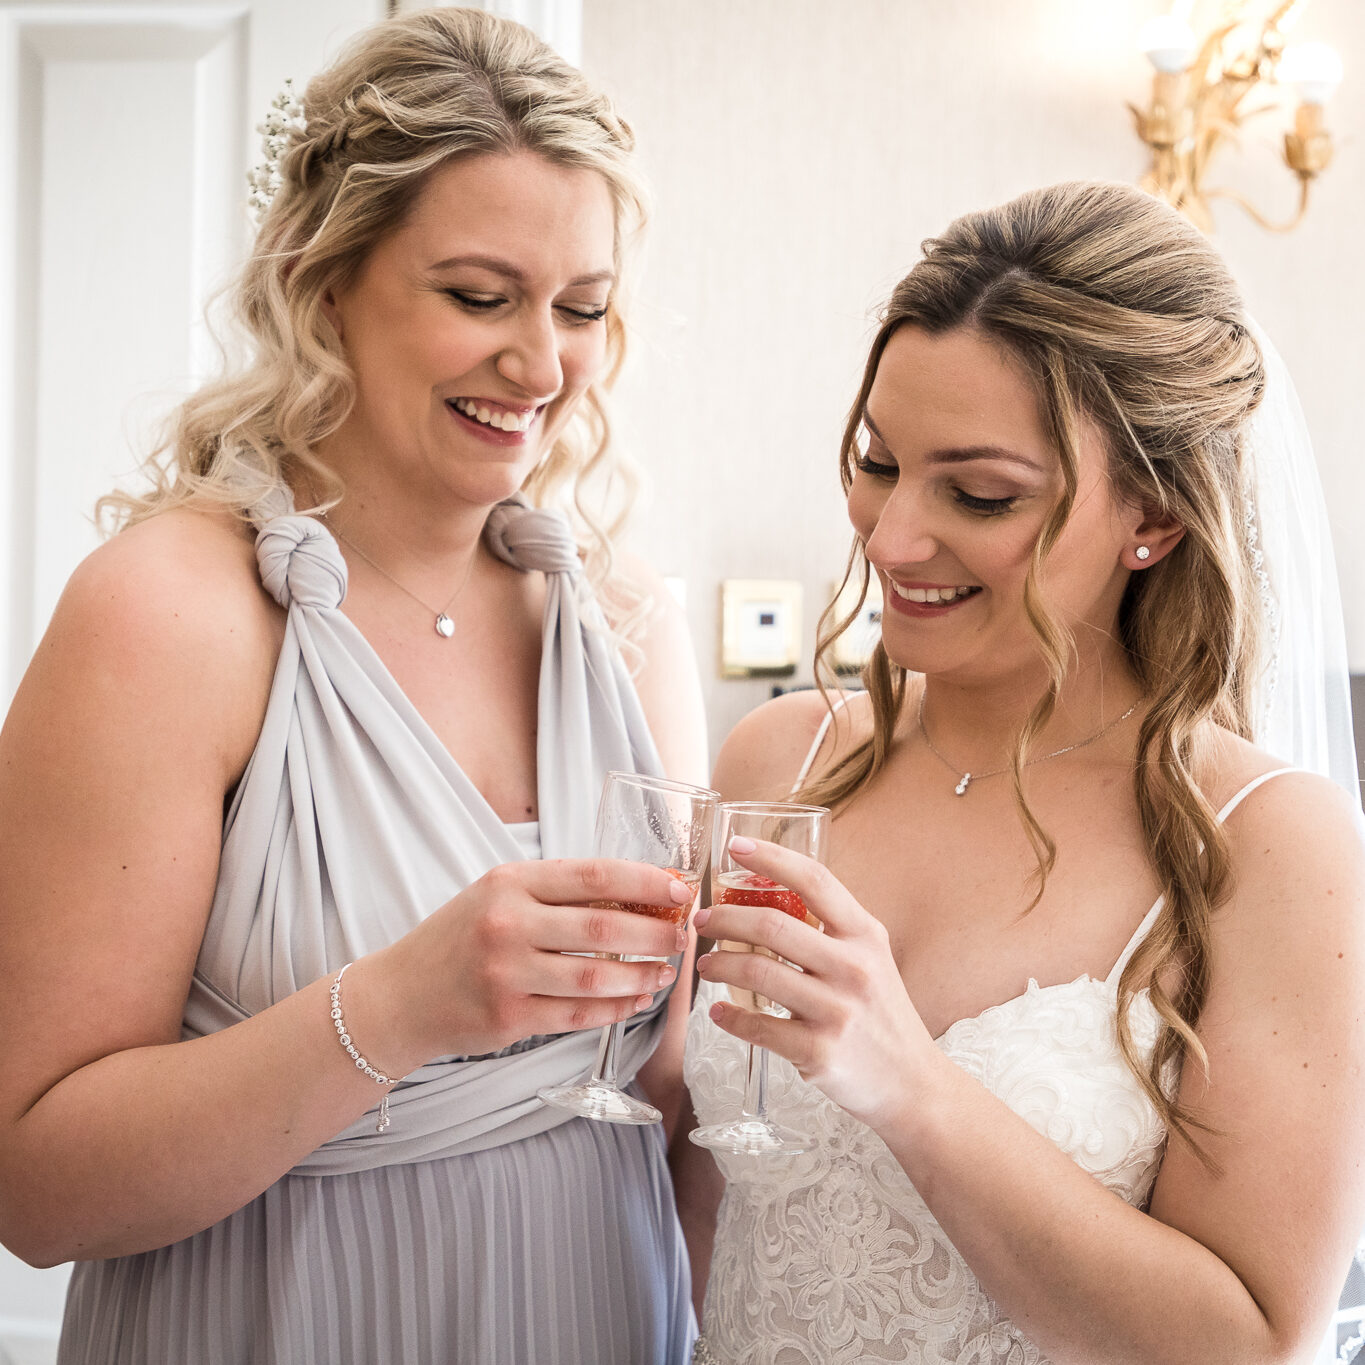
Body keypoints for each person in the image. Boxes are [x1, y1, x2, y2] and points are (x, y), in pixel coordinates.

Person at [0, 8, 707, 1364]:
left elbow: (668, 1095)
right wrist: (403, 1002)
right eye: (479, 296)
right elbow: (37, 1187)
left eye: (584, 309)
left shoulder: (618, 618)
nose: (543, 365)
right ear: (324, 281)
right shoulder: (170, 616)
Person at [680, 180, 1365, 1364]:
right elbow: (715, 1214)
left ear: (1151, 516)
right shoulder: (776, 764)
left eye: (981, 494)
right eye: (879, 463)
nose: (892, 539)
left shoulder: (1273, 846)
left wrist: (909, 1083)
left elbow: (1258, 1345)